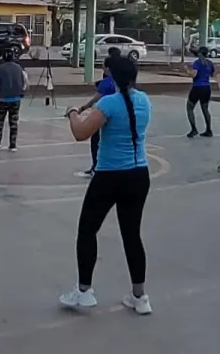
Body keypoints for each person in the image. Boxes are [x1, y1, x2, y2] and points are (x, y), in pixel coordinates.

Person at [59, 56, 153, 315]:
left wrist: (73, 113)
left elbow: (81, 133)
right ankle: (140, 296)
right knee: (132, 235)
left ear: (113, 77)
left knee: (87, 230)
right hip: (139, 174)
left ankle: (84, 291)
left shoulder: (108, 103)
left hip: (111, 175)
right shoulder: (144, 100)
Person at [73, 48, 122, 178]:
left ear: (107, 68)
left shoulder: (105, 84)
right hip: (117, 116)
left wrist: (82, 108)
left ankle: (96, 166)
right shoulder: (120, 81)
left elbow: (96, 99)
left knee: (96, 141)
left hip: (102, 115)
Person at [0, 49, 28, 151]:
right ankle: (13, 144)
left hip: (3, 98)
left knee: (0, 120)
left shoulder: (0, 68)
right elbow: (23, 83)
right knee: (14, 122)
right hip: (16, 98)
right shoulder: (19, 68)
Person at [182, 47, 215, 138]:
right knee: (205, 109)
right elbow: (212, 73)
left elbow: (194, 74)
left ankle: (194, 129)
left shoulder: (197, 62)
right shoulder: (210, 63)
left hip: (197, 88)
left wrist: (186, 70)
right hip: (207, 88)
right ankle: (209, 130)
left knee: (189, 107)